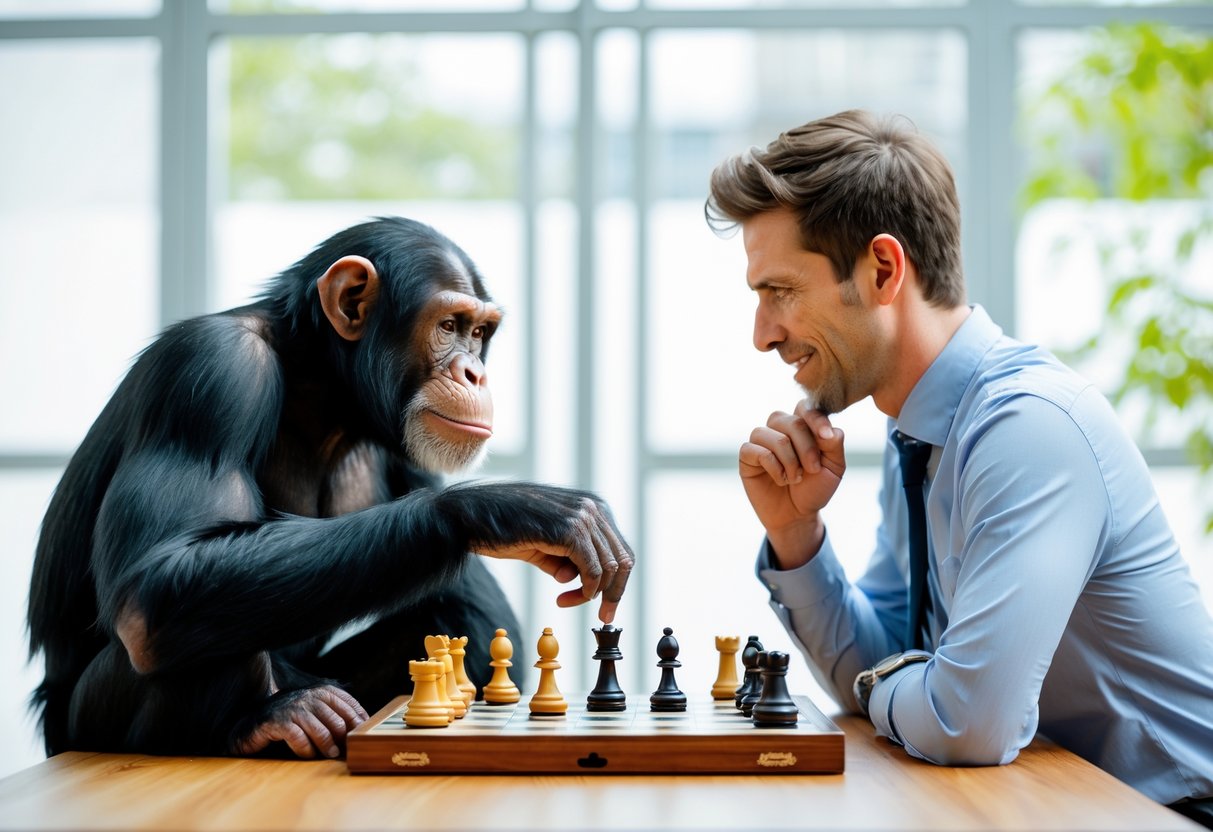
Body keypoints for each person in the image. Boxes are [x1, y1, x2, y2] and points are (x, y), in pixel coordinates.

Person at [705, 109, 1213, 826]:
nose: (762, 335)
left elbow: (967, 724)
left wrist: (897, 686)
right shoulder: (916, 432)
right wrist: (797, 534)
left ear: (883, 269)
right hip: (1057, 805)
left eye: (779, 291)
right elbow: (883, 661)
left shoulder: (1026, 429)